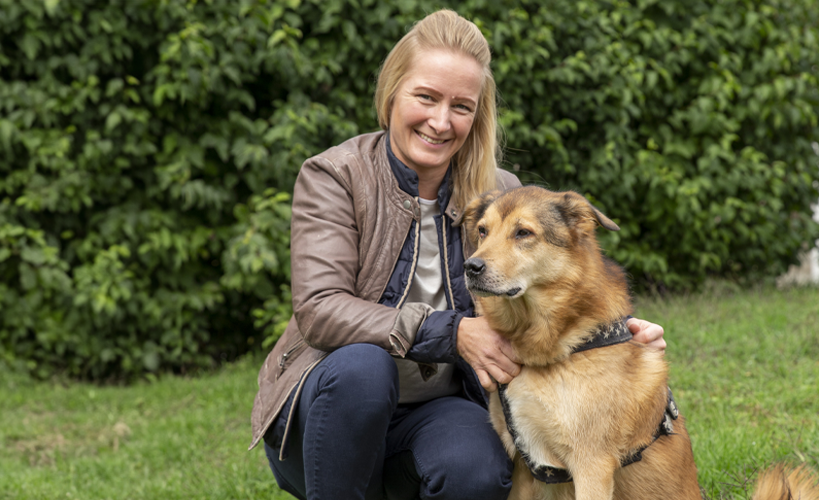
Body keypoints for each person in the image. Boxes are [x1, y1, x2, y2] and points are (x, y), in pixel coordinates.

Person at [247, 10, 667, 500]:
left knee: (478, 467)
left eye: (461, 106)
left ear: (478, 114)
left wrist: (616, 337)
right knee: (364, 368)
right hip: (326, 426)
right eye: (426, 97)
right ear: (392, 92)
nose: (441, 121)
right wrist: (452, 332)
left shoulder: (501, 195)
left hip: (432, 416)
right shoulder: (335, 176)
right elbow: (320, 308)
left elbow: (557, 287)